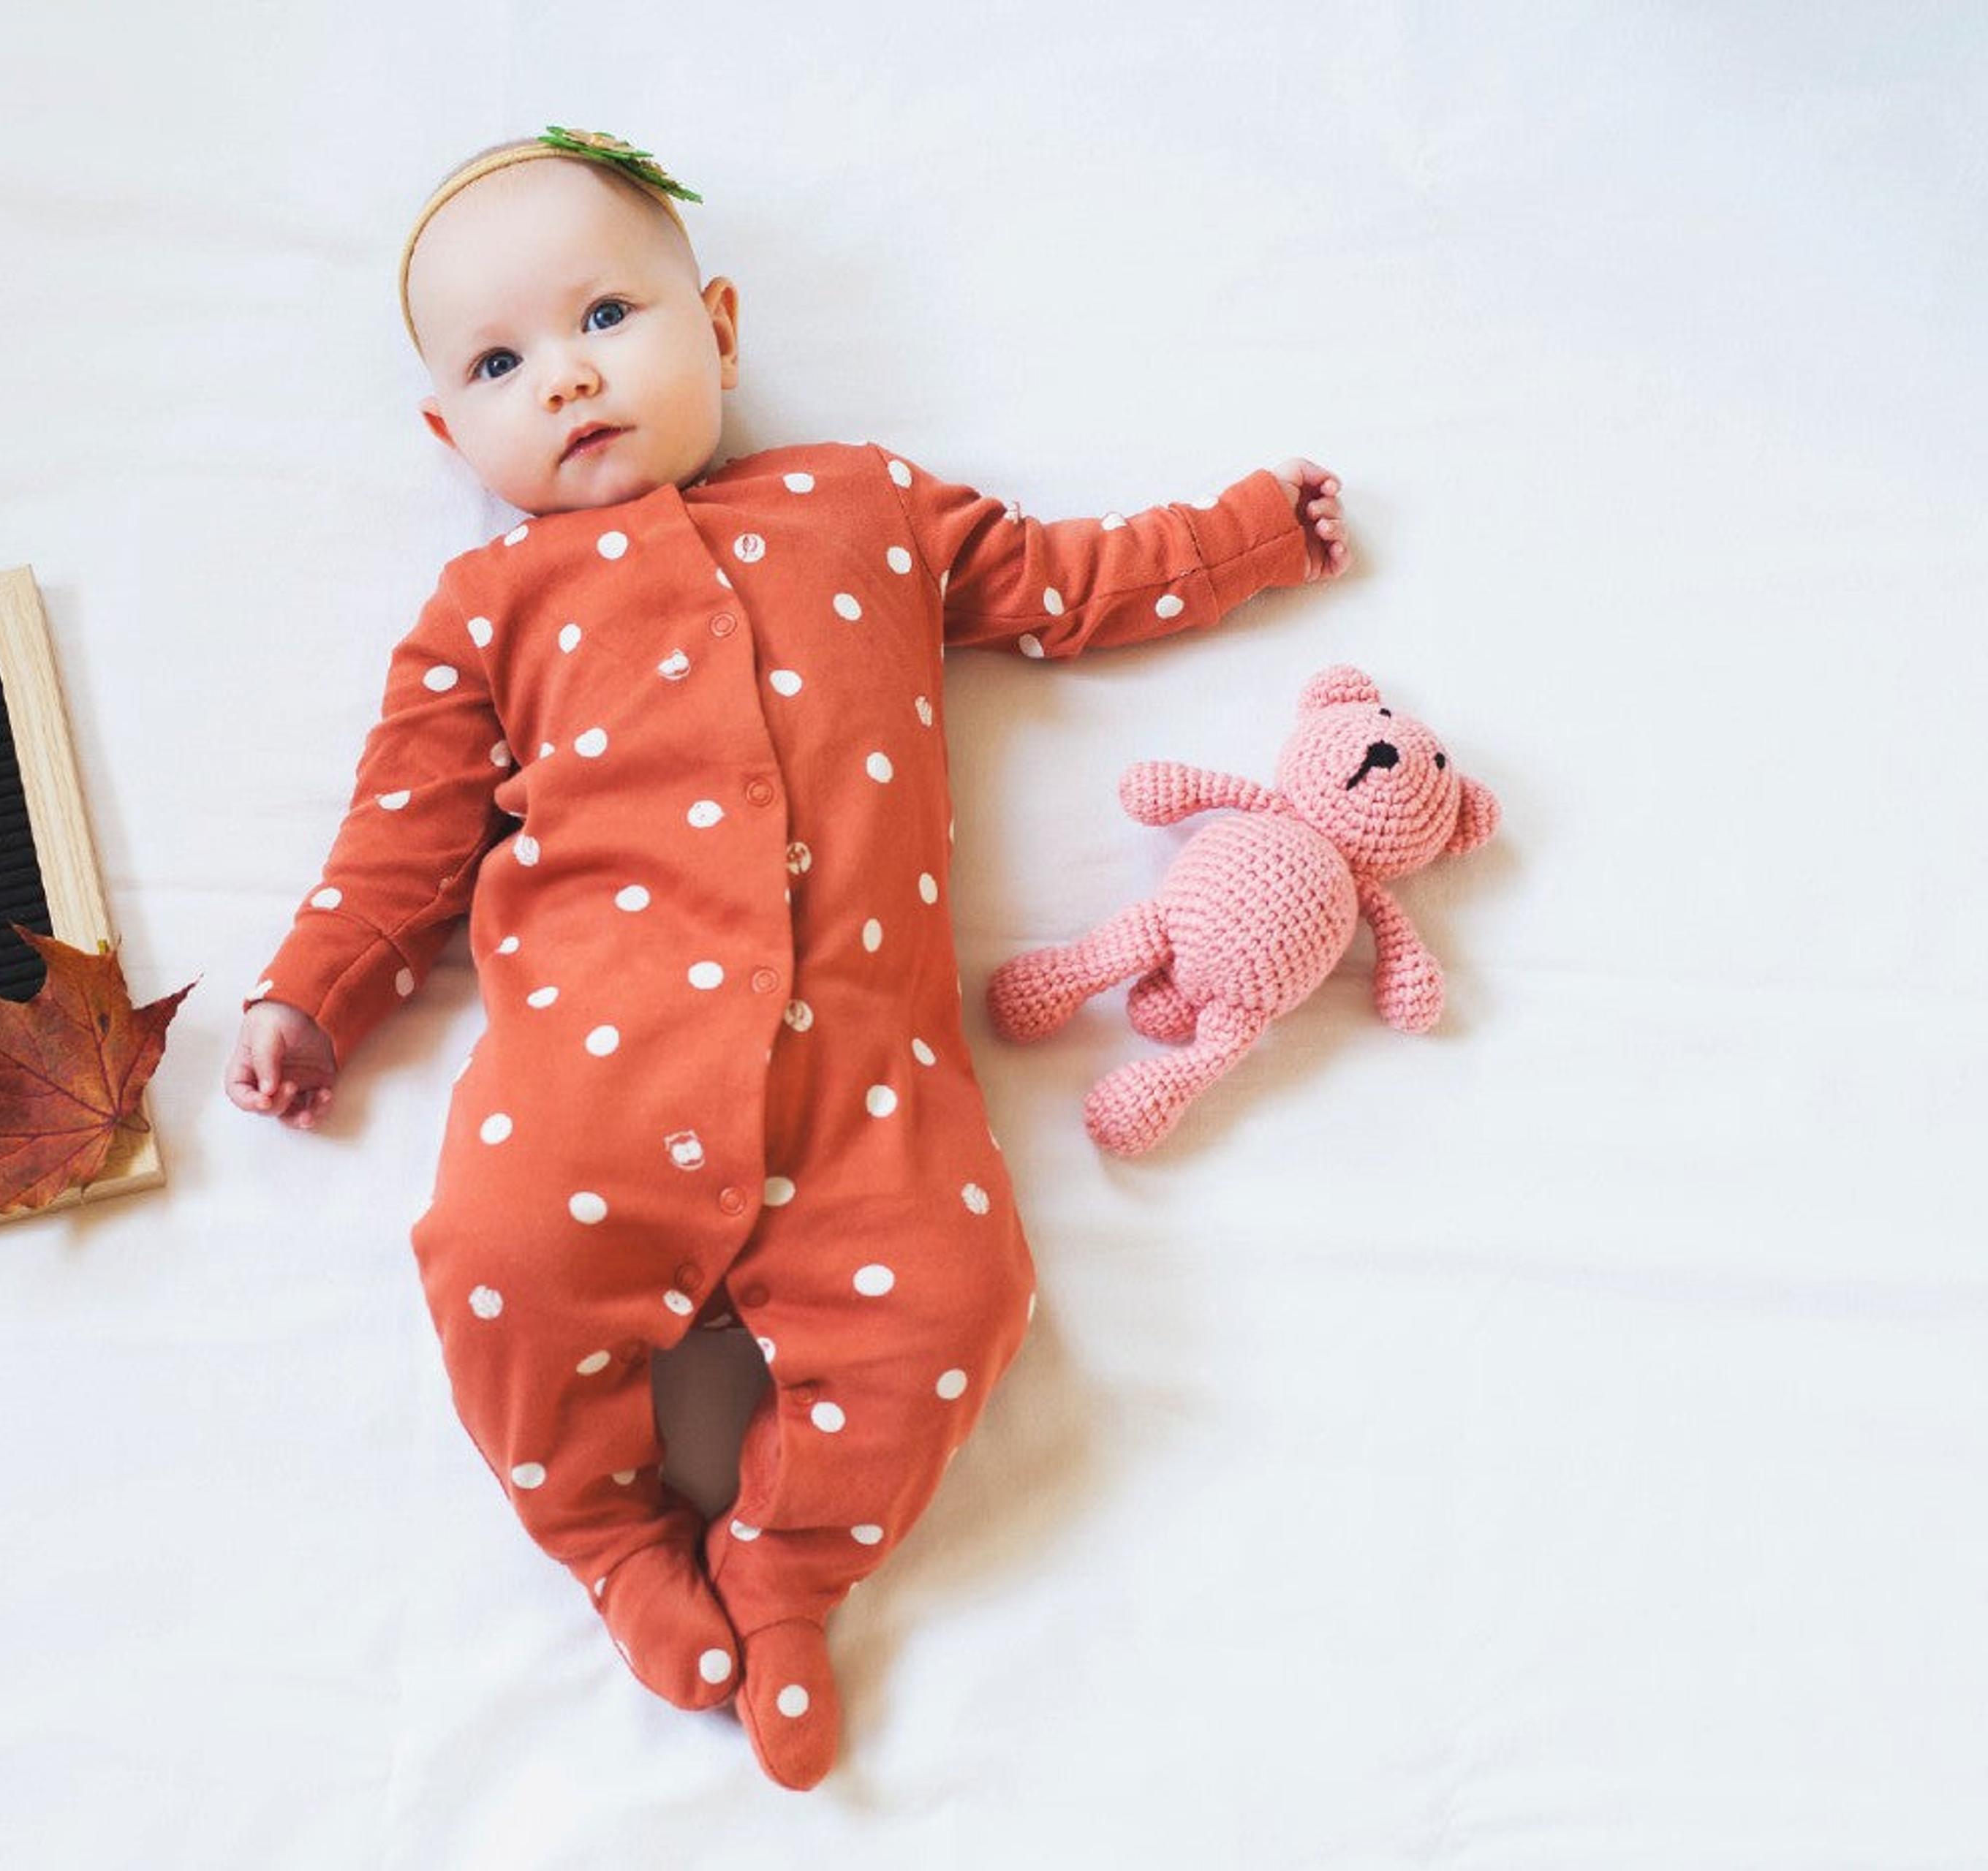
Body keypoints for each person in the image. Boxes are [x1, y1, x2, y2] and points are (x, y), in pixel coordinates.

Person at [222, 127, 1348, 1789]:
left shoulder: (866, 506)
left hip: (865, 1086)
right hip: (588, 1087)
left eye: (609, 312)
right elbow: (401, 838)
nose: (569, 377)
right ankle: (611, 1540)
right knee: (492, 1262)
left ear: (722, 328)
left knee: (963, 1302)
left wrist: (1250, 534)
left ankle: (788, 1568)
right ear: (447, 428)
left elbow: (1073, 582)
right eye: (499, 361)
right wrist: (310, 992)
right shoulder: (488, 608)